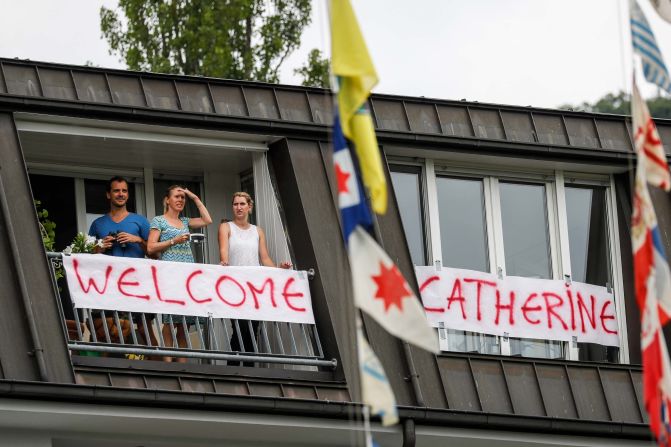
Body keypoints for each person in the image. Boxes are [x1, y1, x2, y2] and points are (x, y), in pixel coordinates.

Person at [218, 192, 291, 366]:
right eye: (235, 204)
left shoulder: (257, 231)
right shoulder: (226, 227)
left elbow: (264, 258)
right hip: (235, 286)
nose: (239, 207)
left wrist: (279, 270)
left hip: (254, 288)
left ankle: (249, 371)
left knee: (253, 329)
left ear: (249, 207)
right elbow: (224, 253)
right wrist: (224, 264)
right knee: (239, 328)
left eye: (242, 204)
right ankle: (235, 371)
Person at [88, 176, 157, 351]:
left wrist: (137, 239)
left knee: (144, 328)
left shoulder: (140, 221)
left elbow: (154, 254)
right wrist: (100, 246)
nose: (121, 194)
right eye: (116, 190)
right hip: (108, 284)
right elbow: (87, 255)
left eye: (124, 191)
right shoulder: (98, 224)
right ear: (108, 195)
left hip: (136, 283)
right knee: (103, 328)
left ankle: (164, 369)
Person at [148, 185, 212, 362]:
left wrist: (194, 197)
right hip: (170, 273)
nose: (180, 200)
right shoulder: (158, 220)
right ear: (167, 200)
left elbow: (208, 220)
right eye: (177, 196)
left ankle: (184, 366)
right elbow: (151, 246)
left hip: (187, 275)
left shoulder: (185, 221)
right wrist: (173, 241)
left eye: (183, 198)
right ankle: (168, 364)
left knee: (184, 322)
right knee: (169, 321)